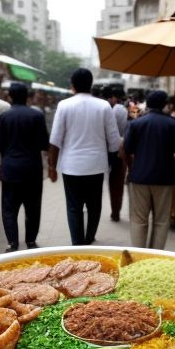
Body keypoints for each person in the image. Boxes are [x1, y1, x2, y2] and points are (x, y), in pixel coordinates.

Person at [48, 68, 120, 245]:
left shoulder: (64, 105)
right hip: (96, 166)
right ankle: (89, 239)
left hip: (71, 167)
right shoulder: (103, 106)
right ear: (91, 84)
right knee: (94, 206)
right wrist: (113, 164)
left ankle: (77, 243)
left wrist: (51, 167)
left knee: (74, 208)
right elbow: (113, 141)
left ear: (72, 85)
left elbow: (55, 140)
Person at [122, 90, 175, 249]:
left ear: (147, 104)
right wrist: (173, 167)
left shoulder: (136, 123)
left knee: (138, 220)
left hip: (139, 178)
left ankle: (138, 256)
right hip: (164, 178)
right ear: (164, 105)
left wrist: (131, 168)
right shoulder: (172, 123)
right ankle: (156, 255)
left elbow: (126, 151)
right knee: (162, 221)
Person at [0, 83, 49, 252]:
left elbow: (0, 146)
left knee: (9, 208)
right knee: (33, 207)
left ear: (10, 96)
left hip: (10, 168)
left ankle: (12, 243)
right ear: (27, 96)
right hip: (32, 169)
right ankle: (31, 241)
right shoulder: (37, 116)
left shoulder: (4, 117)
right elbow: (44, 144)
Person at [102, 85, 127, 222]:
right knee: (118, 183)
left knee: (109, 183)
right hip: (120, 150)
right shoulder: (124, 109)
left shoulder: (107, 109)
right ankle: (116, 211)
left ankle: (113, 211)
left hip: (106, 151)